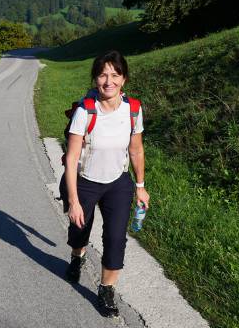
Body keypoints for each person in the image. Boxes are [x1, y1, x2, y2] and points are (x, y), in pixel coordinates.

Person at [63, 50, 150, 317]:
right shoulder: (86, 111)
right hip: (86, 181)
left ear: (124, 79)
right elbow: (72, 157)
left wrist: (140, 186)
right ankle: (77, 256)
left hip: (117, 183)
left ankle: (106, 289)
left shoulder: (133, 110)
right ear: (95, 79)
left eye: (115, 74)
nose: (108, 81)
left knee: (115, 238)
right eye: (102, 74)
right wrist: (74, 201)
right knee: (80, 229)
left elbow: (136, 150)